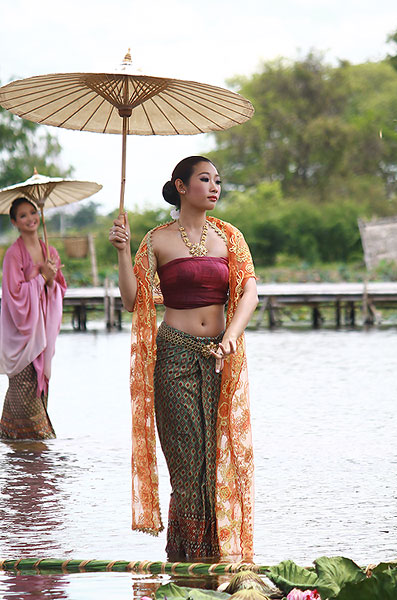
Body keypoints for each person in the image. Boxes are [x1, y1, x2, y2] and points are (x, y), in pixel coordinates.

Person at [109, 156, 258, 560]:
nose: (214, 187)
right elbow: (132, 301)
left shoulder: (229, 237)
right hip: (174, 357)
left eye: (218, 181)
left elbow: (250, 293)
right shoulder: (157, 240)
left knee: (218, 461)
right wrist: (123, 251)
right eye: (205, 179)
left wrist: (230, 338)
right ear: (180, 186)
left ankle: (219, 556)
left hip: (219, 357)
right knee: (189, 463)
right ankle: (188, 558)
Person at [0, 198, 66, 440]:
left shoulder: (50, 252)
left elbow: (57, 290)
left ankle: (15, 444)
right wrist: (41, 278)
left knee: (39, 384)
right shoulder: (13, 255)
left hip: (43, 330)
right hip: (22, 333)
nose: (30, 219)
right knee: (23, 385)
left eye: (33, 212)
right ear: (14, 222)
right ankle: (35, 442)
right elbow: (13, 295)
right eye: (23, 215)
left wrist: (50, 279)